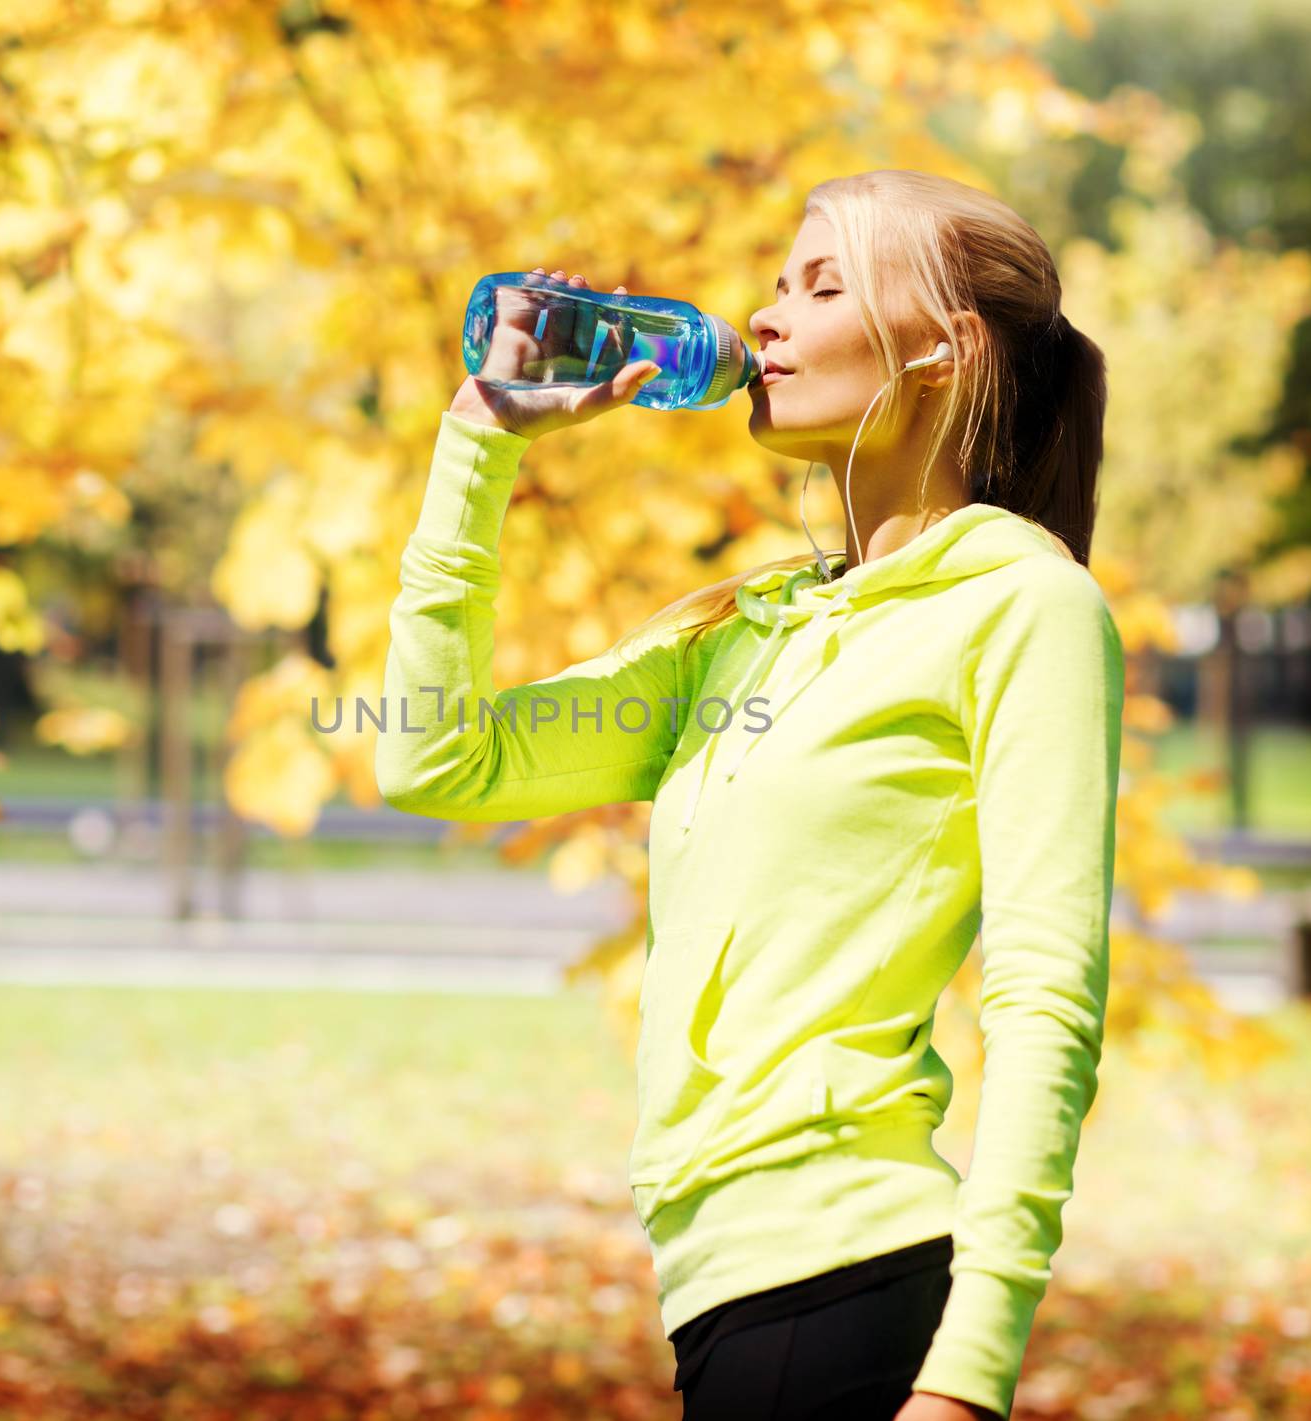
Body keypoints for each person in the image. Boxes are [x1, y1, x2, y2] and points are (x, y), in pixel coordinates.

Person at [374, 168, 1124, 1421]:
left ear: (945, 349)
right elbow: (433, 756)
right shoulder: (750, 626)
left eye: (822, 285)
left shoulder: (1023, 606)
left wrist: (969, 1372)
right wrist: (479, 445)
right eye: (776, 284)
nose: (765, 319)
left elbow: (1047, 998)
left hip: (851, 1286)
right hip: (721, 1293)